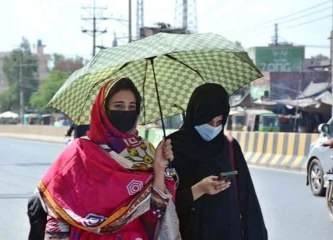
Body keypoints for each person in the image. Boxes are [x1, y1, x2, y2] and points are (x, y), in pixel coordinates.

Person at [33, 78, 181, 240]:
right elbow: (59, 212)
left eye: (132, 107)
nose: (126, 112)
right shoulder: (79, 152)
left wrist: (159, 168)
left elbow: (155, 213)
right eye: (118, 106)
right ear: (103, 110)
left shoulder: (145, 152)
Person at [167, 83, 267, 240]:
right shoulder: (172, 147)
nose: (213, 127)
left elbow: (247, 200)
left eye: (219, 122)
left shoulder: (229, 146)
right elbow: (162, 204)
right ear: (195, 115)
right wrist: (198, 189)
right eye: (207, 122)